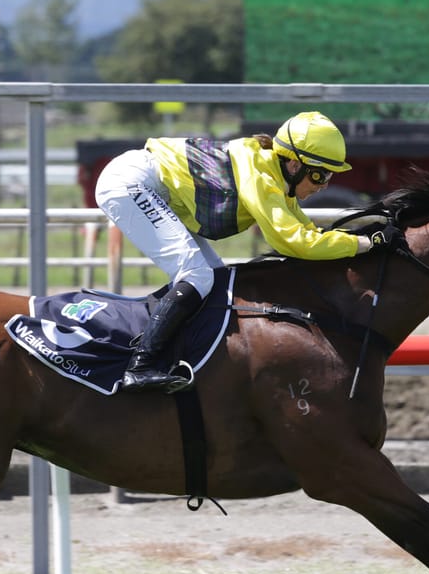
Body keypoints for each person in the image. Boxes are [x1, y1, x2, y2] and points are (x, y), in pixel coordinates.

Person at [94, 110, 407, 394]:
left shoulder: (275, 174)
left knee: (214, 280)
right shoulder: (262, 176)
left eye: (330, 175)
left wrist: (365, 238)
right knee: (196, 275)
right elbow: (295, 242)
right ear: (295, 164)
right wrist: (367, 244)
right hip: (132, 183)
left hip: (151, 186)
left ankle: (180, 355)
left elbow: (309, 235)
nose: (324, 184)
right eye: (319, 174)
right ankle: (140, 366)